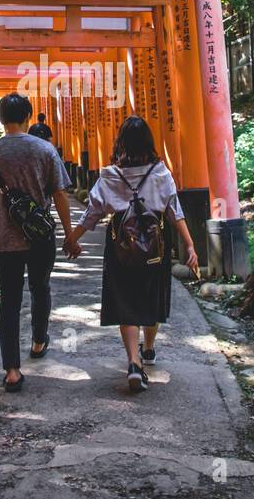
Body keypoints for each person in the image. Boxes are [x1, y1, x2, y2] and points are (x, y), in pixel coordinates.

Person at [63, 115, 200, 393]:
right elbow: (175, 211)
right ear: (149, 141)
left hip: (121, 245)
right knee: (151, 294)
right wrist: (190, 245)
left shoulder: (110, 175)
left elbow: (92, 214)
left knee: (126, 299)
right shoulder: (160, 173)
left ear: (121, 142)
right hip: (155, 246)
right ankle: (148, 348)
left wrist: (71, 240)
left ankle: (134, 362)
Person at [0, 92, 74, 392]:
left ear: (0, 119)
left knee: (10, 300)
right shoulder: (44, 150)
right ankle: (39, 342)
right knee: (40, 288)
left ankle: (12, 370)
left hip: (5, 240)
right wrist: (69, 234)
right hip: (40, 237)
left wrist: (5, 216)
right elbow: (60, 195)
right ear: (28, 116)